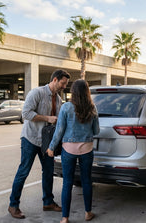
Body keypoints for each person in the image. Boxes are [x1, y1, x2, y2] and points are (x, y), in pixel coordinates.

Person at [8, 69, 71, 219]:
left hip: (47, 143)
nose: (64, 87)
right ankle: (13, 205)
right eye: (63, 83)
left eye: (65, 84)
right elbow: (26, 114)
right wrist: (47, 118)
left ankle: (48, 202)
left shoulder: (59, 100)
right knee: (23, 172)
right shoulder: (36, 93)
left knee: (48, 172)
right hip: (30, 139)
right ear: (55, 80)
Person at [47, 79, 100, 223]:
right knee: (87, 181)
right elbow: (96, 131)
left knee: (67, 183)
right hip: (87, 149)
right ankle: (88, 213)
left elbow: (59, 131)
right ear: (87, 92)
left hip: (68, 150)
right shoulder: (92, 108)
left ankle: (65, 218)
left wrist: (51, 147)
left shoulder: (66, 107)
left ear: (73, 92)